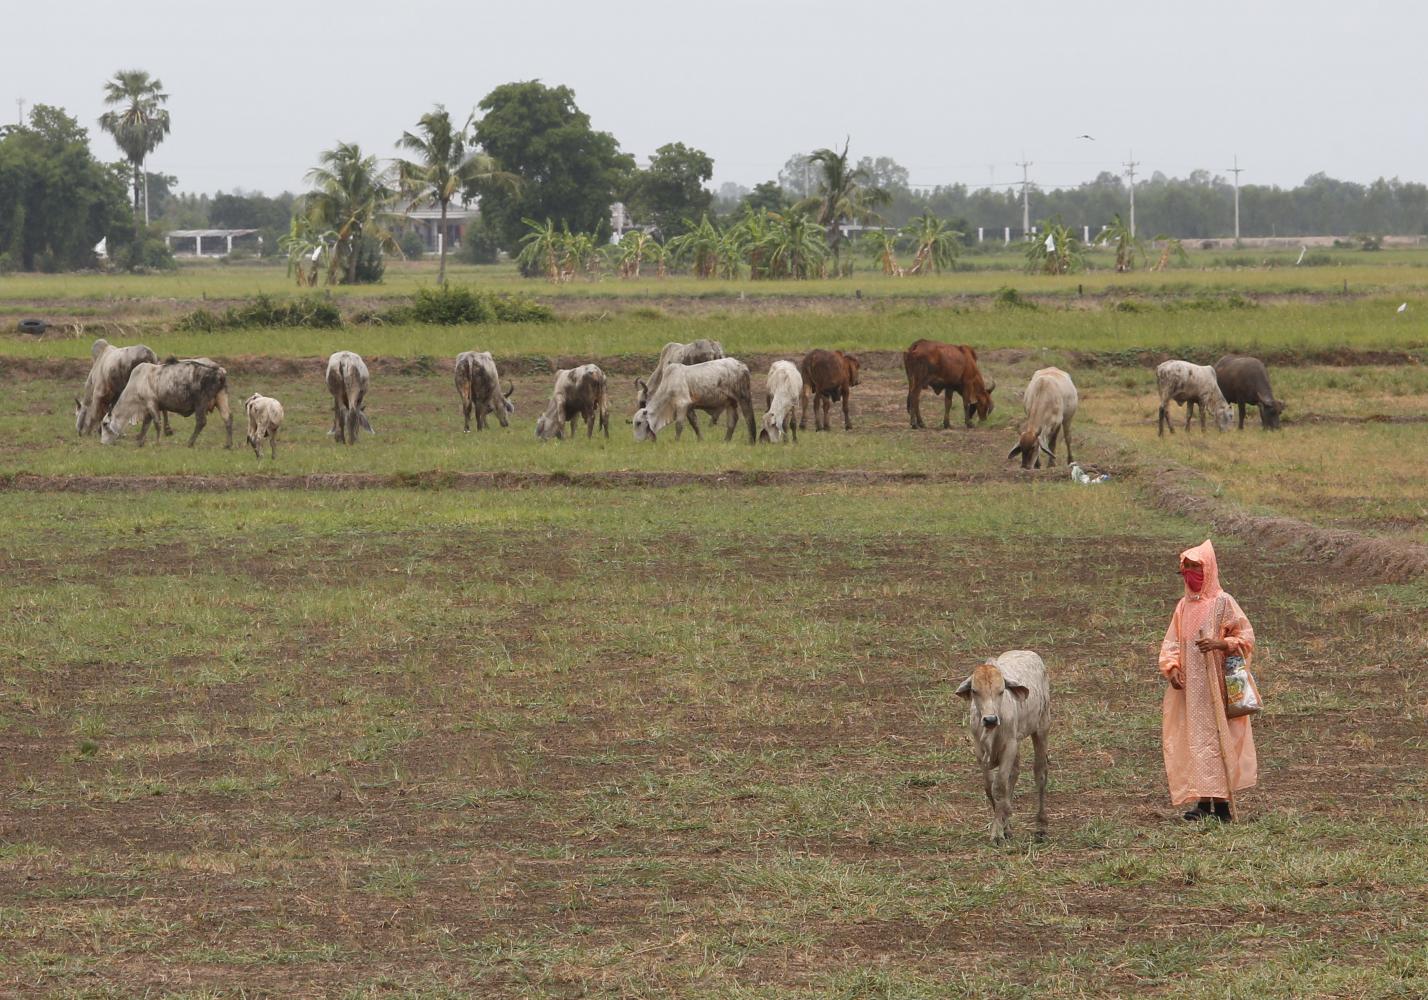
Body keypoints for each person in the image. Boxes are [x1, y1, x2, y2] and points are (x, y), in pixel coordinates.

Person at [1157, 539, 1257, 821]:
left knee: (1217, 738)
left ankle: (1222, 806)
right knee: (1194, 739)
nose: (1190, 574)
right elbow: (1173, 641)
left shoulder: (1224, 602)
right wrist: (1172, 667)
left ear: (1208, 570)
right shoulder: (1183, 606)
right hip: (1190, 688)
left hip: (1217, 685)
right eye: (1185, 568)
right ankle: (1203, 803)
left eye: (1195, 567)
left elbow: (1246, 636)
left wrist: (1220, 643)